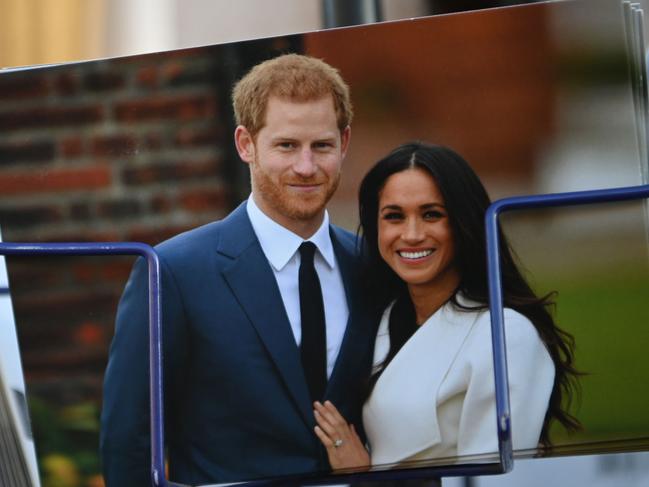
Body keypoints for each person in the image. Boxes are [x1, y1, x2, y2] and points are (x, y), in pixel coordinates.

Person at [100, 54, 377, 486]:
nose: (306, 167)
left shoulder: (370, 265)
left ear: (343, 143)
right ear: (246, 144)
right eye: (286, 145)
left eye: (320, 146)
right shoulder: (172, 273)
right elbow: (127, 451)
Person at [314, 142, 580, 470]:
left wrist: (364, 478)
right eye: (394, 216)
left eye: (432, 215)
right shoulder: (378, 319)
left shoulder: (506, 335)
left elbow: (495, 482)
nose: (411, 234)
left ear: (462, 222)